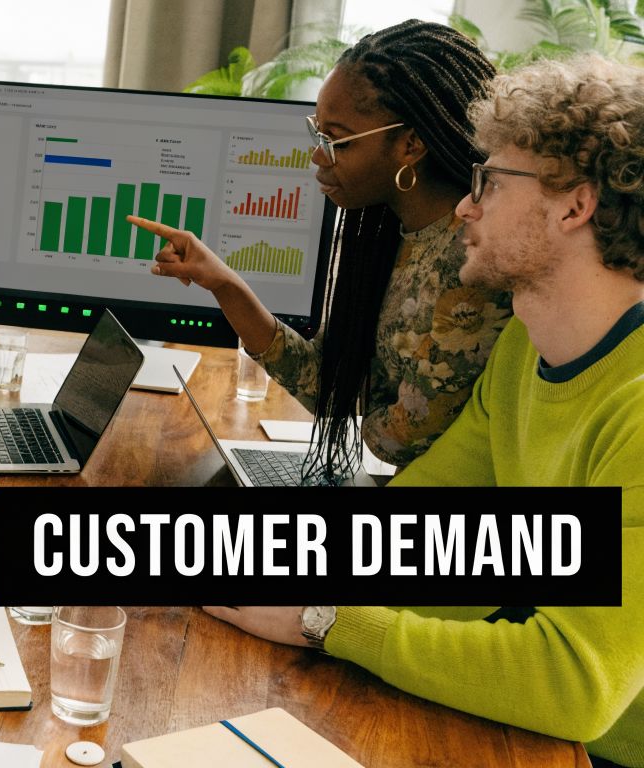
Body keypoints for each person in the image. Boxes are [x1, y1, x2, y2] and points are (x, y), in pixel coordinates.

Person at [202, 55, 644, 767]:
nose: (466, 206)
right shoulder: (524, 354)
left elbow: (577, 684)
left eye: (491, 184)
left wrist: (324, 618)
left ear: (574, 205)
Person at [133, 20, 512, 480]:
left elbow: (400, 438)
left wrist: (365, 407)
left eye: (336, 140)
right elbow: (330, 382)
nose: (318, 155)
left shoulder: (471, 261)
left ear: (410, 144)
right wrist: (224, 283)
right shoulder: (389, 233)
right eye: (318, 133)